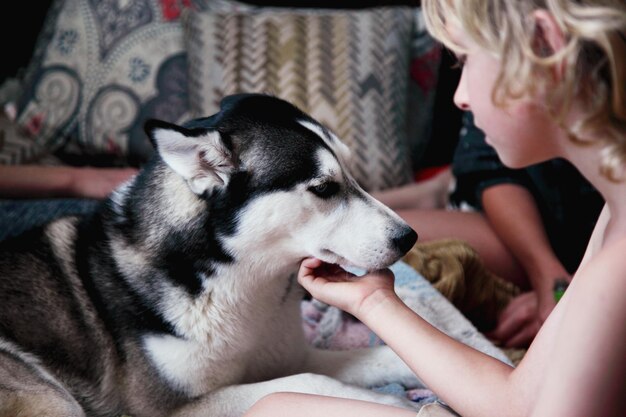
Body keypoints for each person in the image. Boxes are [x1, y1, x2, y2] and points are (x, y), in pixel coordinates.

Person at [243, 0, 626, 416]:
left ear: (545, 46)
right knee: (276, 406)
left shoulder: (616, 266)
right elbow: (518, 401)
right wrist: (374, 302)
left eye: (465, 61)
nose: (459, 98)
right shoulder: (613, 218)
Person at [376, 111, 604, 348]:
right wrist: (550, 279)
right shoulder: (491, 143)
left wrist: (577, 292)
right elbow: (489, 166)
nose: (458, 98)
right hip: (518, 218)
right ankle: (439, 188)